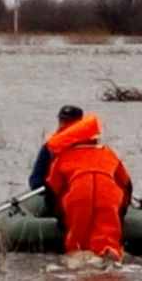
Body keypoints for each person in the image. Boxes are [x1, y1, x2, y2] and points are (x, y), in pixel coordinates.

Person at [29, 105, 133, 261]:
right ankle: (108, 252)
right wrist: (122, 212)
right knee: (108, 235)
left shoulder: (60, 154)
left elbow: (50, 189)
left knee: (77, 244)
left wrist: (59, 217)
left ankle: (81, 262)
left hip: (77, 197)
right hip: (109, 197)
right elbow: (127, 185)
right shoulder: (107, 152)